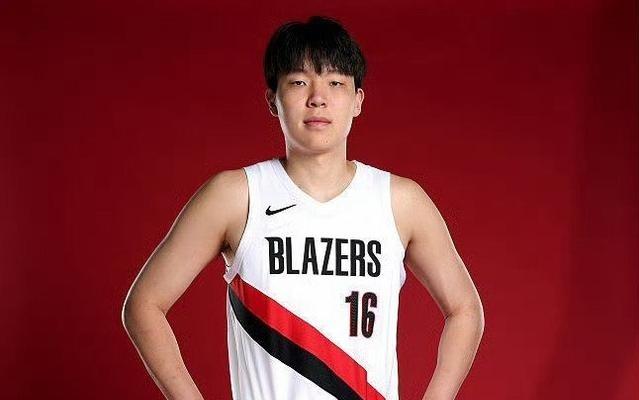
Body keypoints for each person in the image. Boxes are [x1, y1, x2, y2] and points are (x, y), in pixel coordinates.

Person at [122, 15, 484, 400]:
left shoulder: (400, 202)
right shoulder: (237, 196)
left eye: (335, 82)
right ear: (272, 100)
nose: (317, 97)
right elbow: (143, 305)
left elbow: (465, 309)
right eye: (298, 82)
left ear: (358, 100)